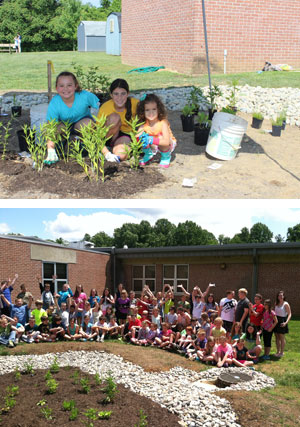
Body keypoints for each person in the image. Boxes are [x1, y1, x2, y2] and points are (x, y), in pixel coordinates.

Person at [45, 71, 100, 164]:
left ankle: (83, 144)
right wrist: (50, 149)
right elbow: (50, 126)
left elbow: (100, 107)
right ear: (57, 88)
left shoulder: (85, 96)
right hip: (64, 126)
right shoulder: (55, 102)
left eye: (69, 85)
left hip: (81, 123)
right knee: (55, 128)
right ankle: (61, 144)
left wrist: (97, 124)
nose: (65, 89)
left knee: (88, 124)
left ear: (76, 86)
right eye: (61, 86)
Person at [97, 79, 139, 162]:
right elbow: (97, 134)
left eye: (123, 94)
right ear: (111, 95)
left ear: (128, 94)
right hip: (108, 136)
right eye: (116, 94)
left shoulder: (136, 104)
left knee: (121, 155)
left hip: (125, 136)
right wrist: (106, 153)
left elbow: (149, 119)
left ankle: (116, 149)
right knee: (114, 117)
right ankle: (107, 148)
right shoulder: (105, 108)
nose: (119, 97)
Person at [136, 93, 176, 168]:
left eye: (154, 109)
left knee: (160, 138)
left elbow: (166, 142)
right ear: (142, 112)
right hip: (153, 144)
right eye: (147, 110)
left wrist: (151, 139)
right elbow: (136, 138)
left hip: (167, 144)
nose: (151, 113)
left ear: (159, 110)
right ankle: (148, 154)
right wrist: (141, 139)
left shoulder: (163, 123)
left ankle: (166, 157)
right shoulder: (144, 124)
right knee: (142, 137)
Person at [274, 290, 291, 358]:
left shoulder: (286, 304)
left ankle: (282, 352)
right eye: (279, 295)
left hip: (282, 320)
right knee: (276, 337)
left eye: (281, 295)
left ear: (284, 296)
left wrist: (286, 322)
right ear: (277, 297)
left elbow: (289, 314)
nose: (280, 296)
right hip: (276, 320)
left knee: (281, 337)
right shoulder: (276, 303)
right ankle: (278, 351)